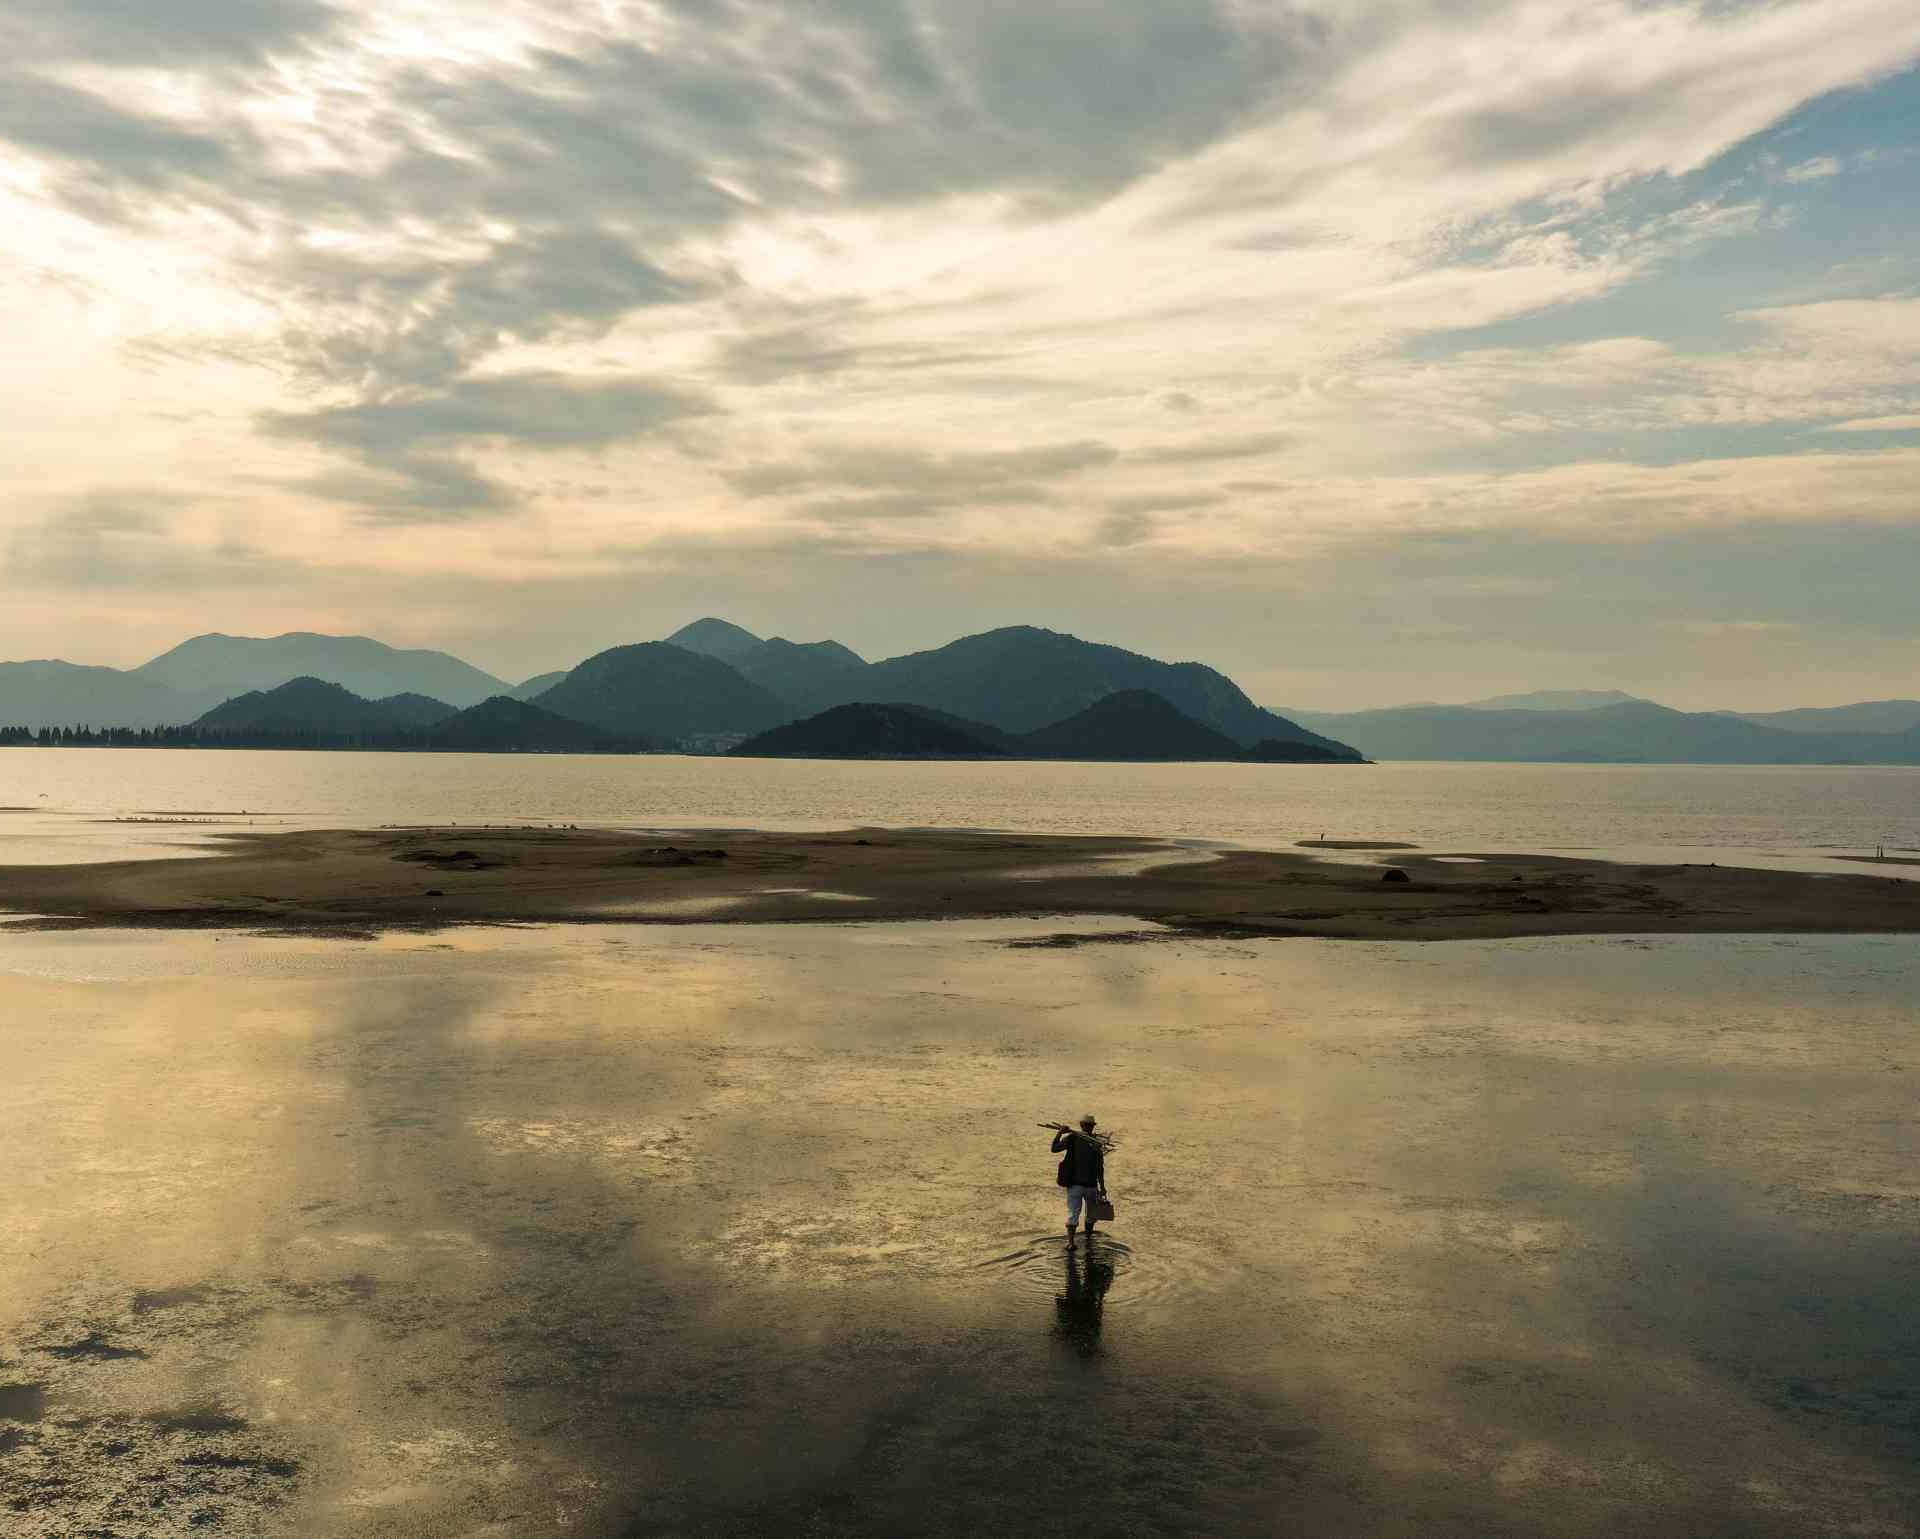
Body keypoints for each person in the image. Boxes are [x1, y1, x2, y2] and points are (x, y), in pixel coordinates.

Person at [1050, 1115, 1107, 1243]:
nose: (1088, 1127)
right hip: (1086, 1185)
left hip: (1081, 1185)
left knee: (1077, 1214)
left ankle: (1073, 1242)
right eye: (1088, 1125)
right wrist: (1102, 1186)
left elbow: (1054, 1148)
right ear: (1084, 1125)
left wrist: (1059, 1133)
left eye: (1089, 1125)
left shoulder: (1079, 1139)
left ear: (1083, 1125)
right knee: (1089, 1216)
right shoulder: (1095, 1142)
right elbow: (1100, 1167)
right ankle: (1085, 1240)